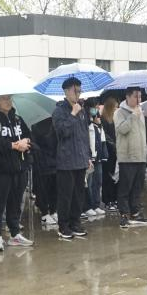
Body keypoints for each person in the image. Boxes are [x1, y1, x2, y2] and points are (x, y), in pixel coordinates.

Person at [0, 94, 35, 252]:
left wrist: (26, 141)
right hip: (0, 170)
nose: (8, 102)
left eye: (9, 98)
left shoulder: (17, 119)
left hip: (19, 168)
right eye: (4, 99)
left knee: (15, 203)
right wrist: (13, 145)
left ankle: (15, 233)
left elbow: (29, 136)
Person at [52, 77, 91, 241]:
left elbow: (84, 135)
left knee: (78, 195)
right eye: (76, 91)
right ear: (67, 91)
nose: (78, 94)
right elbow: (62, 132)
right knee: (66, 195)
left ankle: (75, 222)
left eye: (80, 91)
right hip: (66, 161)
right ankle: (63, 226)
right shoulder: (59, 111)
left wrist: (88, 156)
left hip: (80, 159)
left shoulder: (81, 109)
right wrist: (73, 114)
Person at [114, 87, 147, 228]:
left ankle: (135, 212)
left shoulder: (140, 111)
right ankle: (124, 214)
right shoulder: (119, 112)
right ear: (128, 97)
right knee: (125, 187)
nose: (138, 100)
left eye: (140, 97)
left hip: (140, 155)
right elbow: (122, 129)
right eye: (136, 96)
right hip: (127, 157)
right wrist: (133, 116)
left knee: (137, 187)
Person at [32, 118, 58, 226]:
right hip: (41, 161)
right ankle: (44, 213)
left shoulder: (54, 122)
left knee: (54, 187)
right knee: (43, 188)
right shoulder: (35, 125)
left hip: (54, 159)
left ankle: (53, 210)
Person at [86, 102, 107, 217]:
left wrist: (104, 155)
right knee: (89, 183)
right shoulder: (88, 124)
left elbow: (102, 142)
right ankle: (88, 206)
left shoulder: (99, 127)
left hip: (98, 158)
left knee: (98, 182)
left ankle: (96, 204)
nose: (99, 118)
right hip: (90, 158)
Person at [100, 97, 119, 212]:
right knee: (107, 177)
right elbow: (105, 136)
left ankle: (115, 198)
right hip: (108, 151)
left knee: (115, 176)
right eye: (115, 107)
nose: (117, 109)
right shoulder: (103, 119)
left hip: (116, 151)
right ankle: (108, 200)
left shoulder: (115, 119)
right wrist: (113, 145)